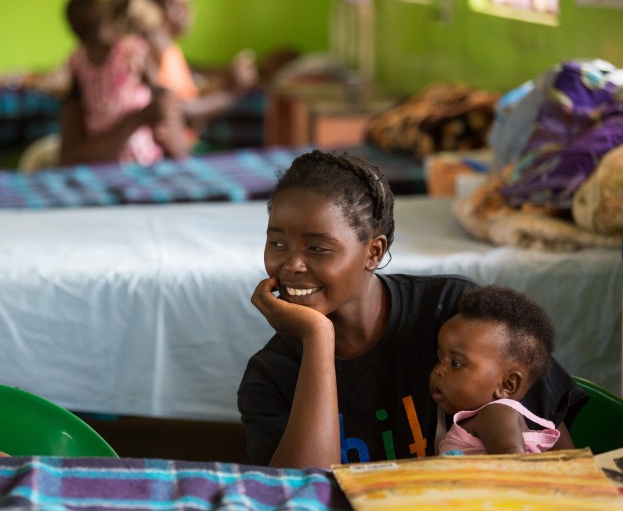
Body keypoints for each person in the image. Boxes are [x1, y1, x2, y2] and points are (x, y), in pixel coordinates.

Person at [237, 150, 586, 469]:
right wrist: (318, 337)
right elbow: (301, 495)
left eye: (317, 248)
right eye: (277, 243)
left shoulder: (459, 316)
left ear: (373, 252)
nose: (292, 264)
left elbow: (561, 461)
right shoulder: (271, 375)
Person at [58, 0, 189, 166]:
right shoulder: (77, 61)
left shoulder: (130, 51)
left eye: (97, 21)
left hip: (139, 145)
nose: (94, 30)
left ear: (109, 19)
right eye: (85, 25)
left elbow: (157, 89)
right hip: (103, 144)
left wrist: (164, 114)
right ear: (75, 30)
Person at [432, 285, 561, 455]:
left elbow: (512, 460)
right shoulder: (484, 418)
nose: (439, 370)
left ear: (507, 385)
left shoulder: (495, 413)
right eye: (440, 359)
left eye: (456, 363)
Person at [135, 0, 258, 138]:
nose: (189, 12)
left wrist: (224, 74)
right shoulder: (149, 51)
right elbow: (179, 109)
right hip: (184, 142)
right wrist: (233, 94)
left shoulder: (168, 48)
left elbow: (189, 70)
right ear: (162, 9)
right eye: (181, 6)